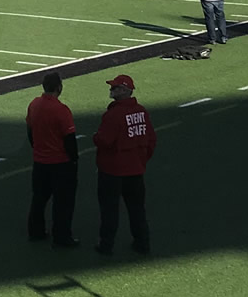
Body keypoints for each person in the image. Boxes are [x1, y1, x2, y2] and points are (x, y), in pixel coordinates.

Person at [92, 74, 156, 256]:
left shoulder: (114, 115)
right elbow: (151, 139)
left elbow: (104, 140)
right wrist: (141, 160)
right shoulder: (141, 112)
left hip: (112, 171)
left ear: (124, 90)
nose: (111, 90)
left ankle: (106, 245)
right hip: (135, 170)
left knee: (109, 211)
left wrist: (95, 137)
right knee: (137, 209)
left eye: (115, 87)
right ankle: (142, 243)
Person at [25, 72, 79, 249]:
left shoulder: (34, 104)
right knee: (63, 202)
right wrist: (74, 160)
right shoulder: (61, 110)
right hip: (60, 163)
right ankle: (62, 236)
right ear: (59, 87)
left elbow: (30, 131)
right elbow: (69, 139)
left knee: (39, 198)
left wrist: (38, 149)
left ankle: (36, 231)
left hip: (40, 162)